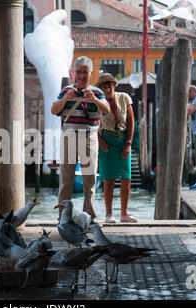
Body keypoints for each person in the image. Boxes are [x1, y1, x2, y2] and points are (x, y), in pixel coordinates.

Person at [51, 56, 110, 222]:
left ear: (90, 73)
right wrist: (65, 99)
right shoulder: (66, 91)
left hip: (89, 135)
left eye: (85, 72)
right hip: (69, 134)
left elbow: (107, 110)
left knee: (89, 178)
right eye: (79, 72)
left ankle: (88, 216)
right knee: (66, 179)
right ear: (74, 73)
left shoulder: (96, 92)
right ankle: (63, 217)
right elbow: (54, 110)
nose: (82, 75)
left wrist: (94, 99)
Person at [96, 73, 137, 223]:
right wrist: (99, 140)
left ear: (114, 86)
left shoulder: (124, 97)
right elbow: (93, 124)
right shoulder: (98, 102)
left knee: (126, 178)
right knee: (109, 179)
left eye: (110, 86)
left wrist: (128, 143)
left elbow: (131, 121)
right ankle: (108, 214)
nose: (108, 89)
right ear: (101, 89)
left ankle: (124, 213)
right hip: (106, 140)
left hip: (122, 141)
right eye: (104, 87)